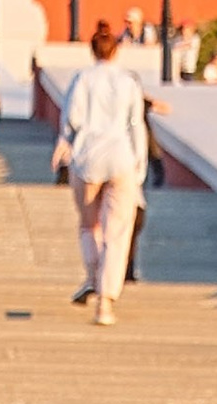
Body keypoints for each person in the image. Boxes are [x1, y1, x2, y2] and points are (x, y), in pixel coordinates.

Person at [54, 41, 150, 322]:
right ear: (116, 51)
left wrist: (65, 142)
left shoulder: (83, 78)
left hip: (87, 155)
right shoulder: (128, 81)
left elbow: (71, 118)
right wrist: (139, 163)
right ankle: (105, 303)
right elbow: (136, 123)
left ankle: (93, 276)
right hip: (121, 155)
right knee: (117, 232)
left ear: (92, 50)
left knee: (89, 224)